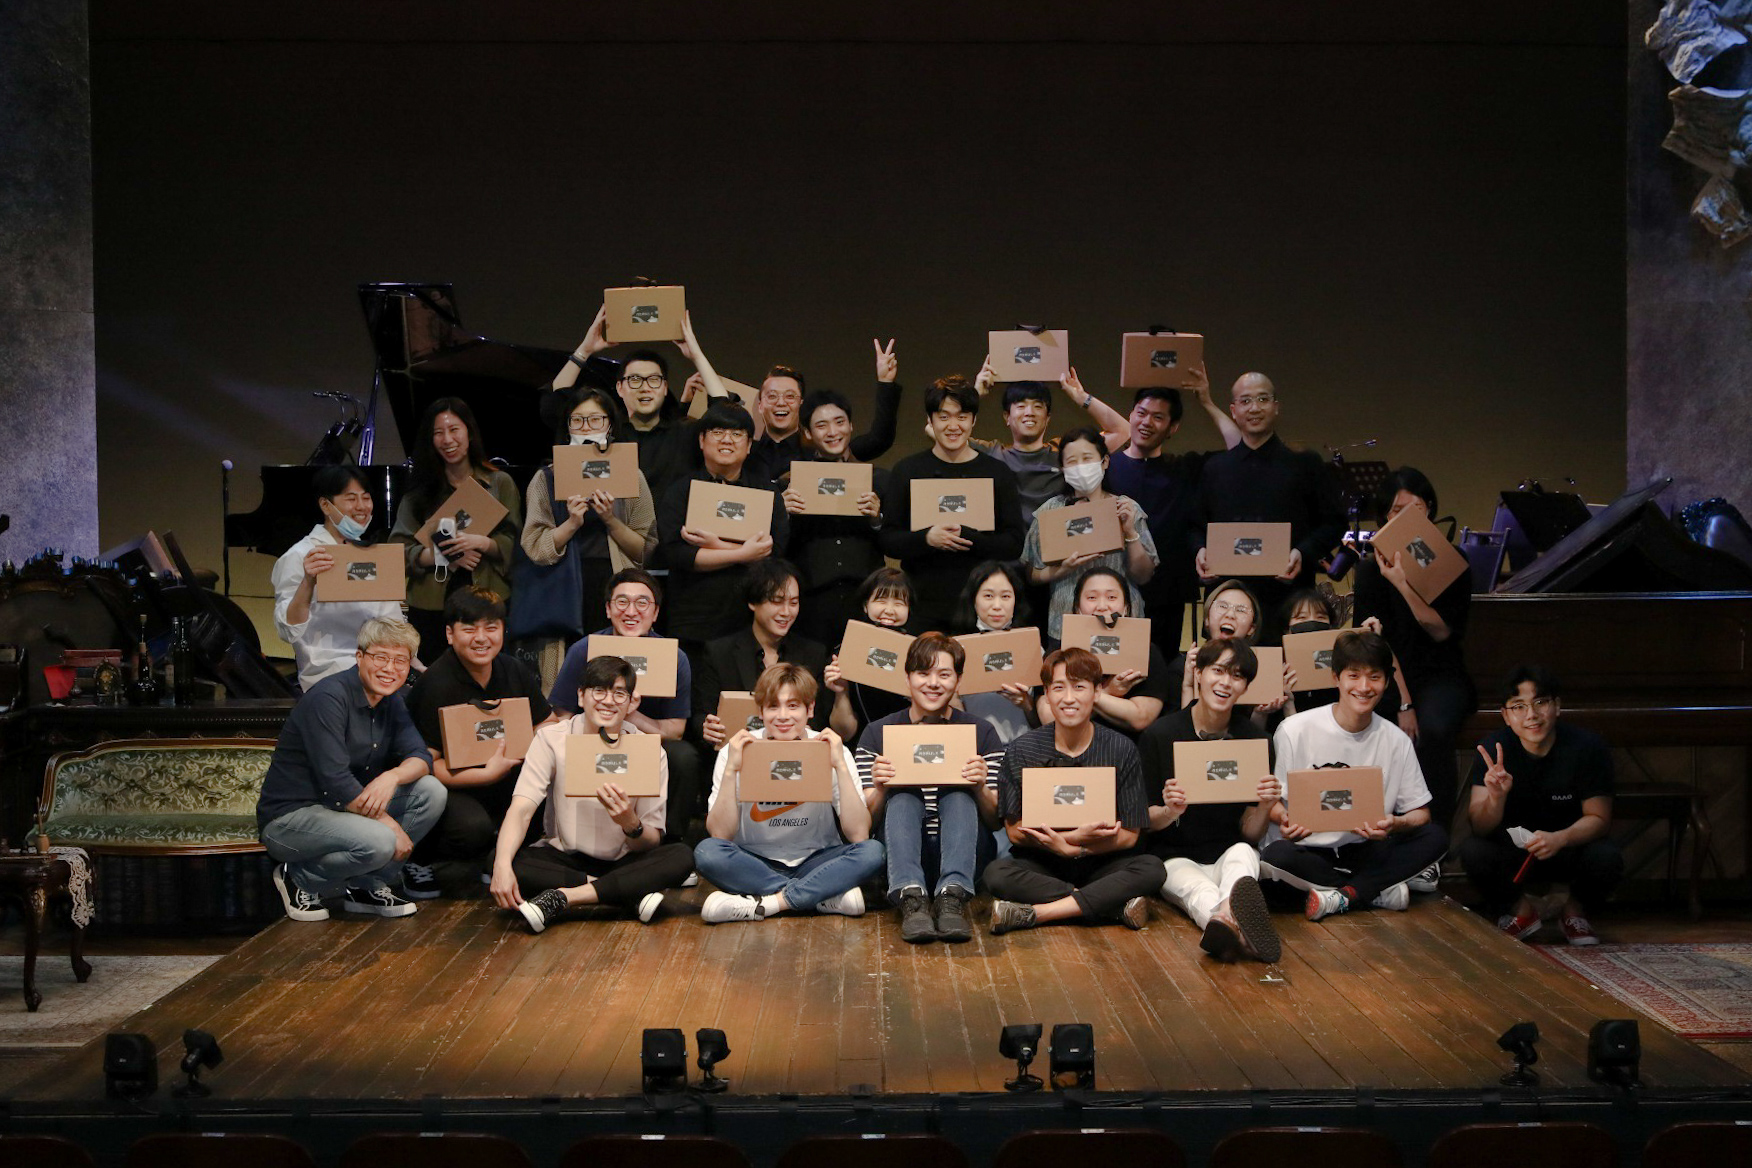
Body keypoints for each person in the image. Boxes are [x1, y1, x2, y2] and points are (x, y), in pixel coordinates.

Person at [257, 618, 446, 922]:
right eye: (380, 657)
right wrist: (391, 826)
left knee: (431, 792)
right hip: (292, 817)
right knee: (381, 840)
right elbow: (336, 782)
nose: (390, 668)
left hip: (345, 809)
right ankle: (300, 878)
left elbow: (420, 757)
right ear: (359, 657)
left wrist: (392, 776)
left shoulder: (391, 700)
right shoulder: (329, 698)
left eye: (400, 660)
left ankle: (366, 885)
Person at [489, 654, 696, 932]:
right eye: (599, 690)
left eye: (619, 693)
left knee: (682, 856)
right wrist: (502, 866)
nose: (608, 701)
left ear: (632, 702)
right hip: (568, 858)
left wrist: (629, 822)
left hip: (625, 860)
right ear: (580, 695)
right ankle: (626, 895)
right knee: (500, 858)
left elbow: (651, 841)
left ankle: (565, 897)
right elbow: (522, 809)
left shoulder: (648, 750)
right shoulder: (552, 739)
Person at [1259, 630, 1448, 920]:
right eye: (1354, 675)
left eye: (1374, 677)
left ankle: (1346, 895)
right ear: (1336, 677)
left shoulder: (1396, 740)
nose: (1364, 687)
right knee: (1276, 857)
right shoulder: (1294, 730)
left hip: (1364, 848)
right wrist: (1284, 819)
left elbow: (1421, 814)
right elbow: (1273, 802)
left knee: (1435, 837)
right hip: (1308, 850)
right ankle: (1375, 890)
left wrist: (1395, 823)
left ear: (1386, 682)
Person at [986, 647, 1165, 934]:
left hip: (1103, 862)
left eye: (1079, 687)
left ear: (1097, 692)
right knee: (997, 874)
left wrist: (1079, 847)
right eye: (1059, 688)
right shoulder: (1023, 749)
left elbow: (1131, 834)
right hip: (1044, 864)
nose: (1069, 698)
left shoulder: (1121, 748)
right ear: (1046, 694)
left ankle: (1040, 913)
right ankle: (1109, 904)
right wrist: (1067, 842)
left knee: (1152, 868)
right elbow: (1015, 831)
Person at [695, 663, 882, 922]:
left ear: (810, 709)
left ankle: (770, 903)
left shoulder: (829, 747)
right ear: (760, 711)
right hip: (754, 860)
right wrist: (731, 770)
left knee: (873, 852)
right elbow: (719, 834)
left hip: (816, 859)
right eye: (773, 706)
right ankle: (820, 895)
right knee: (706, 852)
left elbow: (859, 834)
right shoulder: (736, 748)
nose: (783, 716)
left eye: (793, 706)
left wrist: (839, 764)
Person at [854, 632, 1005, 943]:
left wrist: (980, 787)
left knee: (959, 794)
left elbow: (994, 821)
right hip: (900, 856)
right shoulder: (878, 733)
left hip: (966, 854)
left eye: (944, 674)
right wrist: (880, 787)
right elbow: (862, 826)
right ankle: (911, 897)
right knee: (903, 795)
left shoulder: (981, 732)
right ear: (907, 678)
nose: (933, 683)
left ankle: (952, 896)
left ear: (958, 680)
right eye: (923, 673)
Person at [403, 587, 553, 895]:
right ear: (450, 633)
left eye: (491, 628)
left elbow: (548, 723)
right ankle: (422, 860)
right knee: (472, 828)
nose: (481, 638)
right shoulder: (435, 684)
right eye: (469, 629)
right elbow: (425, 765)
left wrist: (523, 747)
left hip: (507, 773)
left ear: (503, 630)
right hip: (454, 786)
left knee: (548, 790)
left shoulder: (512, 669)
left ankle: (496, 858)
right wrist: (485, 774)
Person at [1139, 640, 1281, 963]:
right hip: (1174, 856)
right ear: (1199, 673)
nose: (1226, 682)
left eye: (1237, 676)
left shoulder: (1256, 742)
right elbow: (1146, 821)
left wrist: (1264, 806)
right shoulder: (1160, 735)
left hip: (1228, 851)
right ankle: (1238, 929)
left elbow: (1250, 834)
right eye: (1218, 671)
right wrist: (1170, 810)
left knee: (1244, 856)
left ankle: (1228, 925)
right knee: (1198, 892)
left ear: (1246, 687)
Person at [1351, 467, 1474, 836]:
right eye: (1396, 511)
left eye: (1416, 509)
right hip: (1390, 676)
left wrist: (1403, 584)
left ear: (1429, 509)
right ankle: (1376, 830)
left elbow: (1441, 630)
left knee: (1433, 730)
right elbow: (1375, 642)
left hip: (1440, 673)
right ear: (1384, 517)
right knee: (1373, 727)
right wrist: (1403, 702)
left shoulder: (1451, 561)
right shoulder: (1369, 571)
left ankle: (1436, 834)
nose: (1406, 518)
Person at [1461, 666, 1621, 945]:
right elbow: (1479, 826)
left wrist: (1561, 838)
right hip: (1515, 853)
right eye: (1519, 706)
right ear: (1506, 715)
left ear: (1556, 706)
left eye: (1540, 702)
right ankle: (1521, 912)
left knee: (1607, 857)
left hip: (1568, 847)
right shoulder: (1493, 749)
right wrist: (1496, 797)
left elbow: (1599, 819)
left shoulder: (1587, 748)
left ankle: (1574, 913)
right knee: (1474, 851)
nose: (1531, 715)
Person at [514, 386, 656, 687]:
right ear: (567, 428)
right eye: (577, 421)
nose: (586, 428)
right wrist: (572, 523)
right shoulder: (546, 478)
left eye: (595, 420)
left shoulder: (632, 476)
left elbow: (646, 549)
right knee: (567, 682)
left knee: (615, 682)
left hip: (613, 589)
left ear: (610, 426)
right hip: (563, 593)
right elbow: (534, 547)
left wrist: (610, 519)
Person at [550, 568, 701, 841]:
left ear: (655, 613)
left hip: (649, 742)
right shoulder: (584, 650)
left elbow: (676, 730)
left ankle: (668, 843)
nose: (631, 611)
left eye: (642, 603)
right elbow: (562, 716)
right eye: (622, 602)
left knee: (684, 757)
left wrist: (630, 713)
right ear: (608, 609)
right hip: (592, 738)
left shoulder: (674, 658)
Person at [1100, 369, 1242, 655]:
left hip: (1167, 594)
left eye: (1158, 417)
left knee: (1161, 667)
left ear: (1172, 427)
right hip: (1111, 592)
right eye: (1141, 413)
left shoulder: (1184, 468)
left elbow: (1238, 448)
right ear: (1131, 415)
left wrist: (1206, 401)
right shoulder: (1106, 467)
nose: (1146, 422)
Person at [1194, 373, 1346, 633]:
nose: (1254, 408)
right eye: (1245, 401)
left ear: (1276, 407)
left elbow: (1335, 522)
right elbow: (1194, 525)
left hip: (1289, 599)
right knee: (1226, 660)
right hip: (1228, 603)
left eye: (1263, 399)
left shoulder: (1305, 464)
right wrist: (1199, 550)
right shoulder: (1215, 468)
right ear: (1233, 411)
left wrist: (1303, 552)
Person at [878, 375, 1025, 632]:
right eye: (944, 417)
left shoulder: (997, 472)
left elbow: (1014, 544)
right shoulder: (907, 470)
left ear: (973, 420)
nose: (953, 425)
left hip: (980, 608)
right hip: (921, 604)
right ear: (930, 420)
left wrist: (969, 536)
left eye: (962, 416)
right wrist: (927, 538)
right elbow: (889, 540)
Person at [547, 306, 732, 502]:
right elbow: (553, 405)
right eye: (635, 380)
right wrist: (585, 350)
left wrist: (696, 355)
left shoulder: (685, 433)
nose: (645, 388)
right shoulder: (605, 433)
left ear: (665, 387)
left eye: (654, 380)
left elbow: (726, 414)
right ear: (620, 388)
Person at [391, 397, 522, 663]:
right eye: (438, 433)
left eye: (454, 430)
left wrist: (482, 543)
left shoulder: (499, 483)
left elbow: (517, 542)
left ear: (469, 433)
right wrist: (443, 555)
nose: (447, 439)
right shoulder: (418, 492)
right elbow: (397, 553)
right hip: (431, 605)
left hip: (488, 599)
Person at [653, 400, 788, 652]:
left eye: (737, 434)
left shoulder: (766, 493)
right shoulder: (681, 490)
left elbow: (774, 555)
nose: (727, 440)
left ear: (749, 445)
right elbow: (675, 553)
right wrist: (744, 554)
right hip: (692, 617)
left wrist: (715, 545)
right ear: (701, 440)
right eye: (718, 432)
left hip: (749, 619)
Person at [271, 465, 405, 691]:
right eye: (351, 498)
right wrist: (308, 582)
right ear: (326, 505)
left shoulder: (373, 554)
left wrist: (409, 661)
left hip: (380, 671)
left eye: (366, 497)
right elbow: (288, 630)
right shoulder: (300, 556)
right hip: (328, 675)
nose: (361, 506)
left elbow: (393, 621)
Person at [1023, 425, 1158, 640]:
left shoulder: (1125, 508)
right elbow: (1032, 573)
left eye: (1087, 459)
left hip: (1121, 627)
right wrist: (1060, 570)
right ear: (1063, 468)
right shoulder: (1050, 512)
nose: (1080, 467)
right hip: (1066, 623)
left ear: (1104, 462)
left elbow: (1144, 575)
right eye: (1072, 461)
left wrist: (1130, 532)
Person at [784, 387, 890, 646]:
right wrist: (781, 514)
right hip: (811, 604)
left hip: (866, 601)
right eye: (822, 425)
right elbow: (776, 547)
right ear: (808, 433)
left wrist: (877, 519)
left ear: (851, 426)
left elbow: (895, 543)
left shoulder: (878, 480)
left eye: (839, 422)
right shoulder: (790, 484)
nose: (833, 432)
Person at [694, 559, 833, 747]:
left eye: (793, 603)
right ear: (753, 602)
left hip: (797, 753)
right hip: (737, 753)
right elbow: (701, 714)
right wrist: (707, 727)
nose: (786, 612)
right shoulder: (719, 652)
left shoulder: (813, 654)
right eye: (777, 602)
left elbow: (819, 718)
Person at [1038, 568, 1172, 740]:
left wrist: (1083, 699)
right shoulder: (1059, 652)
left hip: (1128, 747)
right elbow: (1049, 718)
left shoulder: (1146, 651)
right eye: (1092, 598)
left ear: (1126, 607)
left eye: (1111, 597)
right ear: (1078, 607)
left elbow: (1141, 718)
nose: (1102, 606)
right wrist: (1109, 691)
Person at [745, 341, 903, 484]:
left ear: (801, 404)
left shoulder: (823, 447)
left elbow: (879, 439)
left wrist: (885, 383)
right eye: (772, 396)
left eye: (790, 396)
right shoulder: (744, 451)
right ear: (760, 405)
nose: (781, 402)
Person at [824, 566, 916, 742]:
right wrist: (841, 692)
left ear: (909, 609)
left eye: (899, 603)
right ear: (866, 605)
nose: (889, 610)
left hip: (907, 744)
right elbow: (843, 734)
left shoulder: (921, 655)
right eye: (881, 601)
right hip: (860, 747)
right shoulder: (844, 653)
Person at [950, 561, 1038, 745]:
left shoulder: (1032, 646)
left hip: (1022, 746)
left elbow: (1044, 720)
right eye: (988, 596)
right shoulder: (955, 650)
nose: (997, 605)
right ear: (973, 599)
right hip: (974, 747)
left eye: (1005, 596)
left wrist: (1026, 703)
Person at [968, 376, 1064, 527]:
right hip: (1007, 540)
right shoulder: (993, 453)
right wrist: (975, 394)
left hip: (1054, 540)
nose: (1029, 412)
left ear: (1047, 418)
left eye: (1038, 406)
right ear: (1007, 417)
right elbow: (936, 429)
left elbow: (1109, 433)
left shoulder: (1064, 451)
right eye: (1021, 406)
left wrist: (1082, 398)